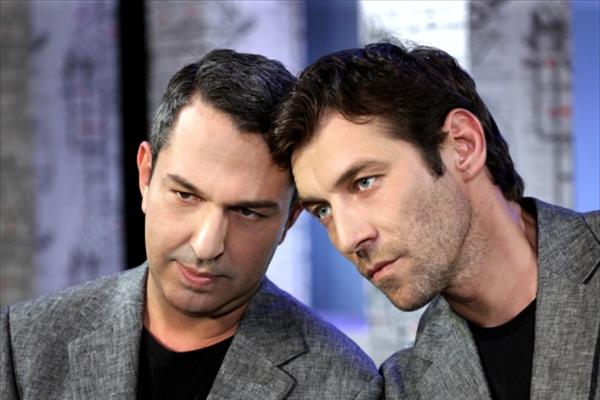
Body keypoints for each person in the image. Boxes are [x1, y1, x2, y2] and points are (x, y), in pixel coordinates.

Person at [1, 49, 383, 400]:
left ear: (289, 219)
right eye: (186, 195)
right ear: (146, 175)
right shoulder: (23, 342)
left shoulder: (344, 387)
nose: (207, 245)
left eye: (247, 212)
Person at [271, 41, 599, 400]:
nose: (348, 238)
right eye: (323, 210)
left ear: (463, 145)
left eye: (365, 182)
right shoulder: (404, 387)